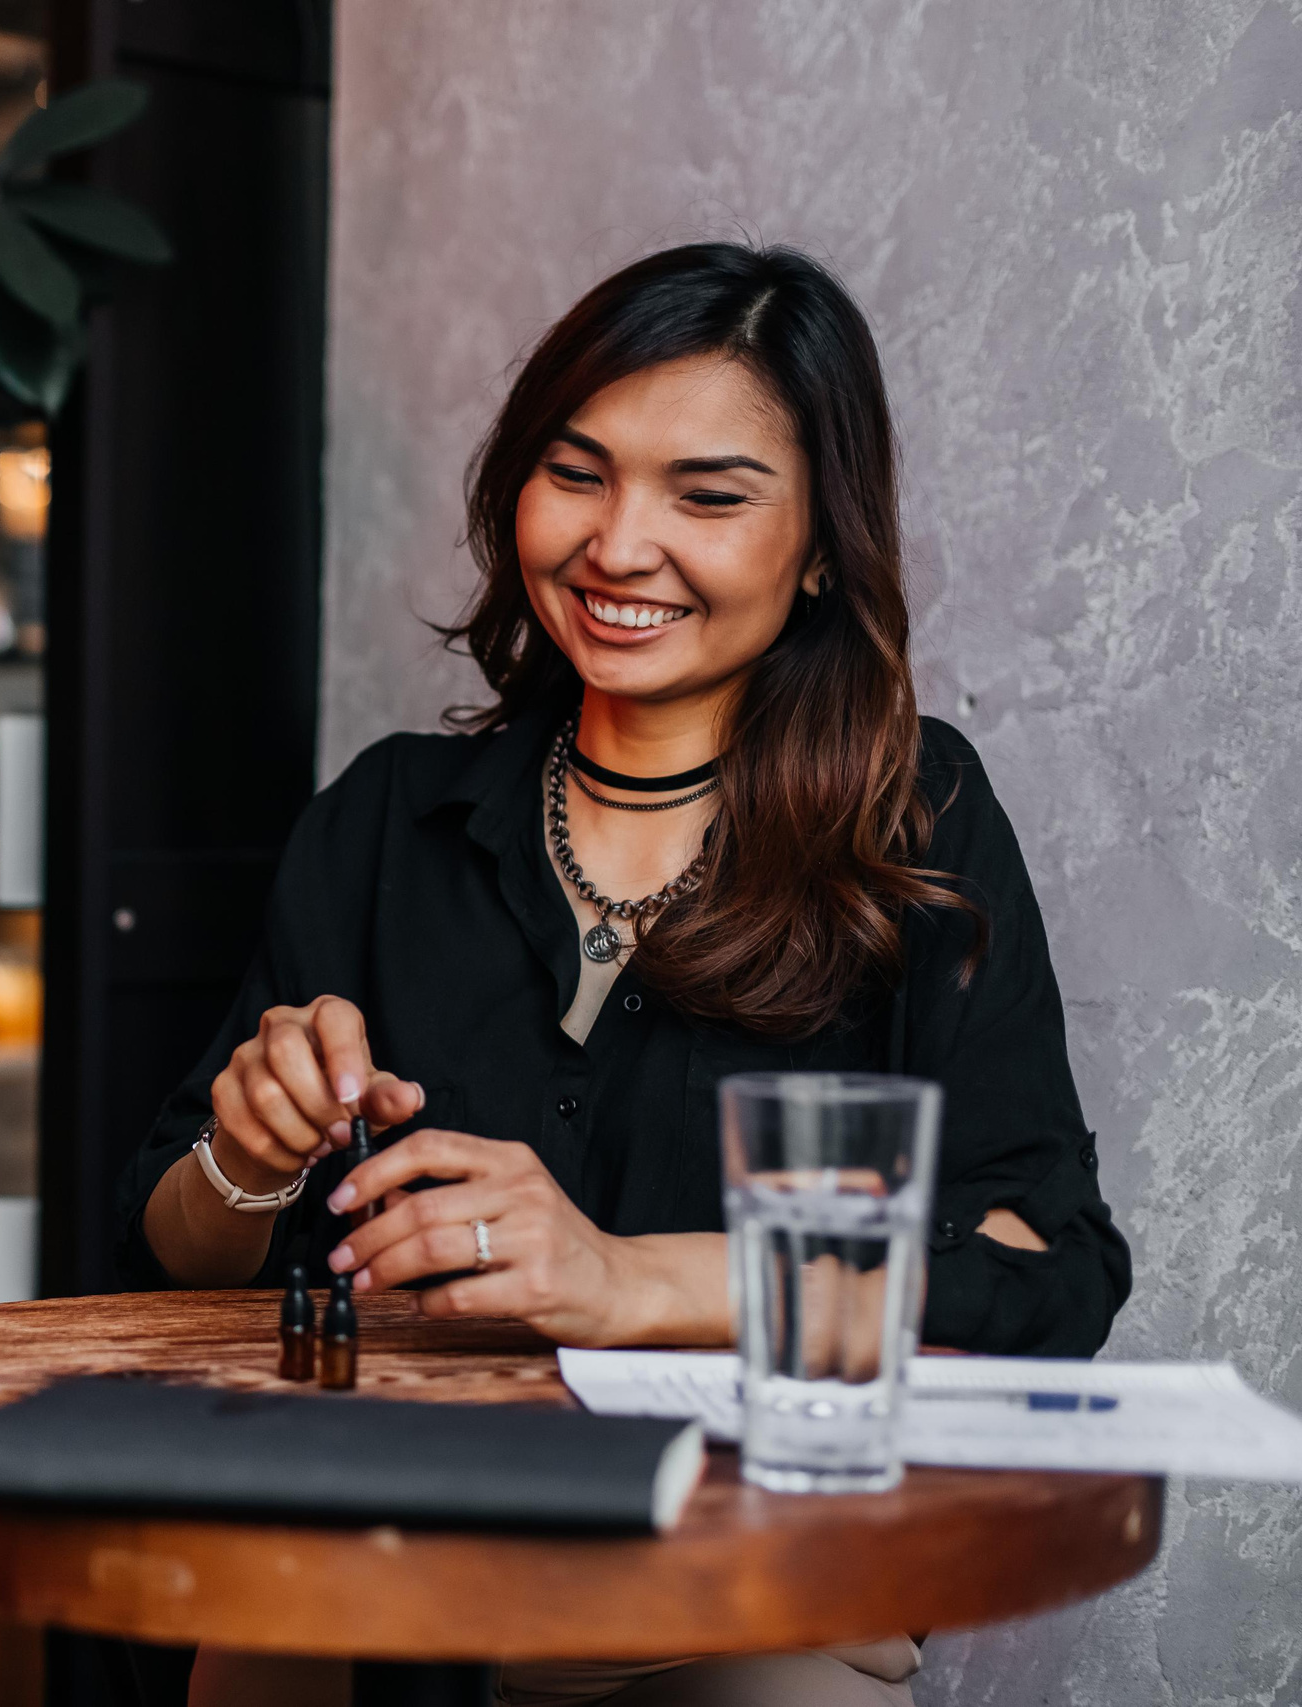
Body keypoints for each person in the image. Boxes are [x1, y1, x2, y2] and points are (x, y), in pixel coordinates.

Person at [116, 243, 1131, 1706]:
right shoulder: (388, 816)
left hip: (745, 1605)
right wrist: (249, 1151)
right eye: (576, 473)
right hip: (365, 1589)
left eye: (708, 496)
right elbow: (170, 1250)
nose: (616, 545)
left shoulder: (914, 824)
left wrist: (625, 1280)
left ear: (824, 545)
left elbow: (1049, 1272)